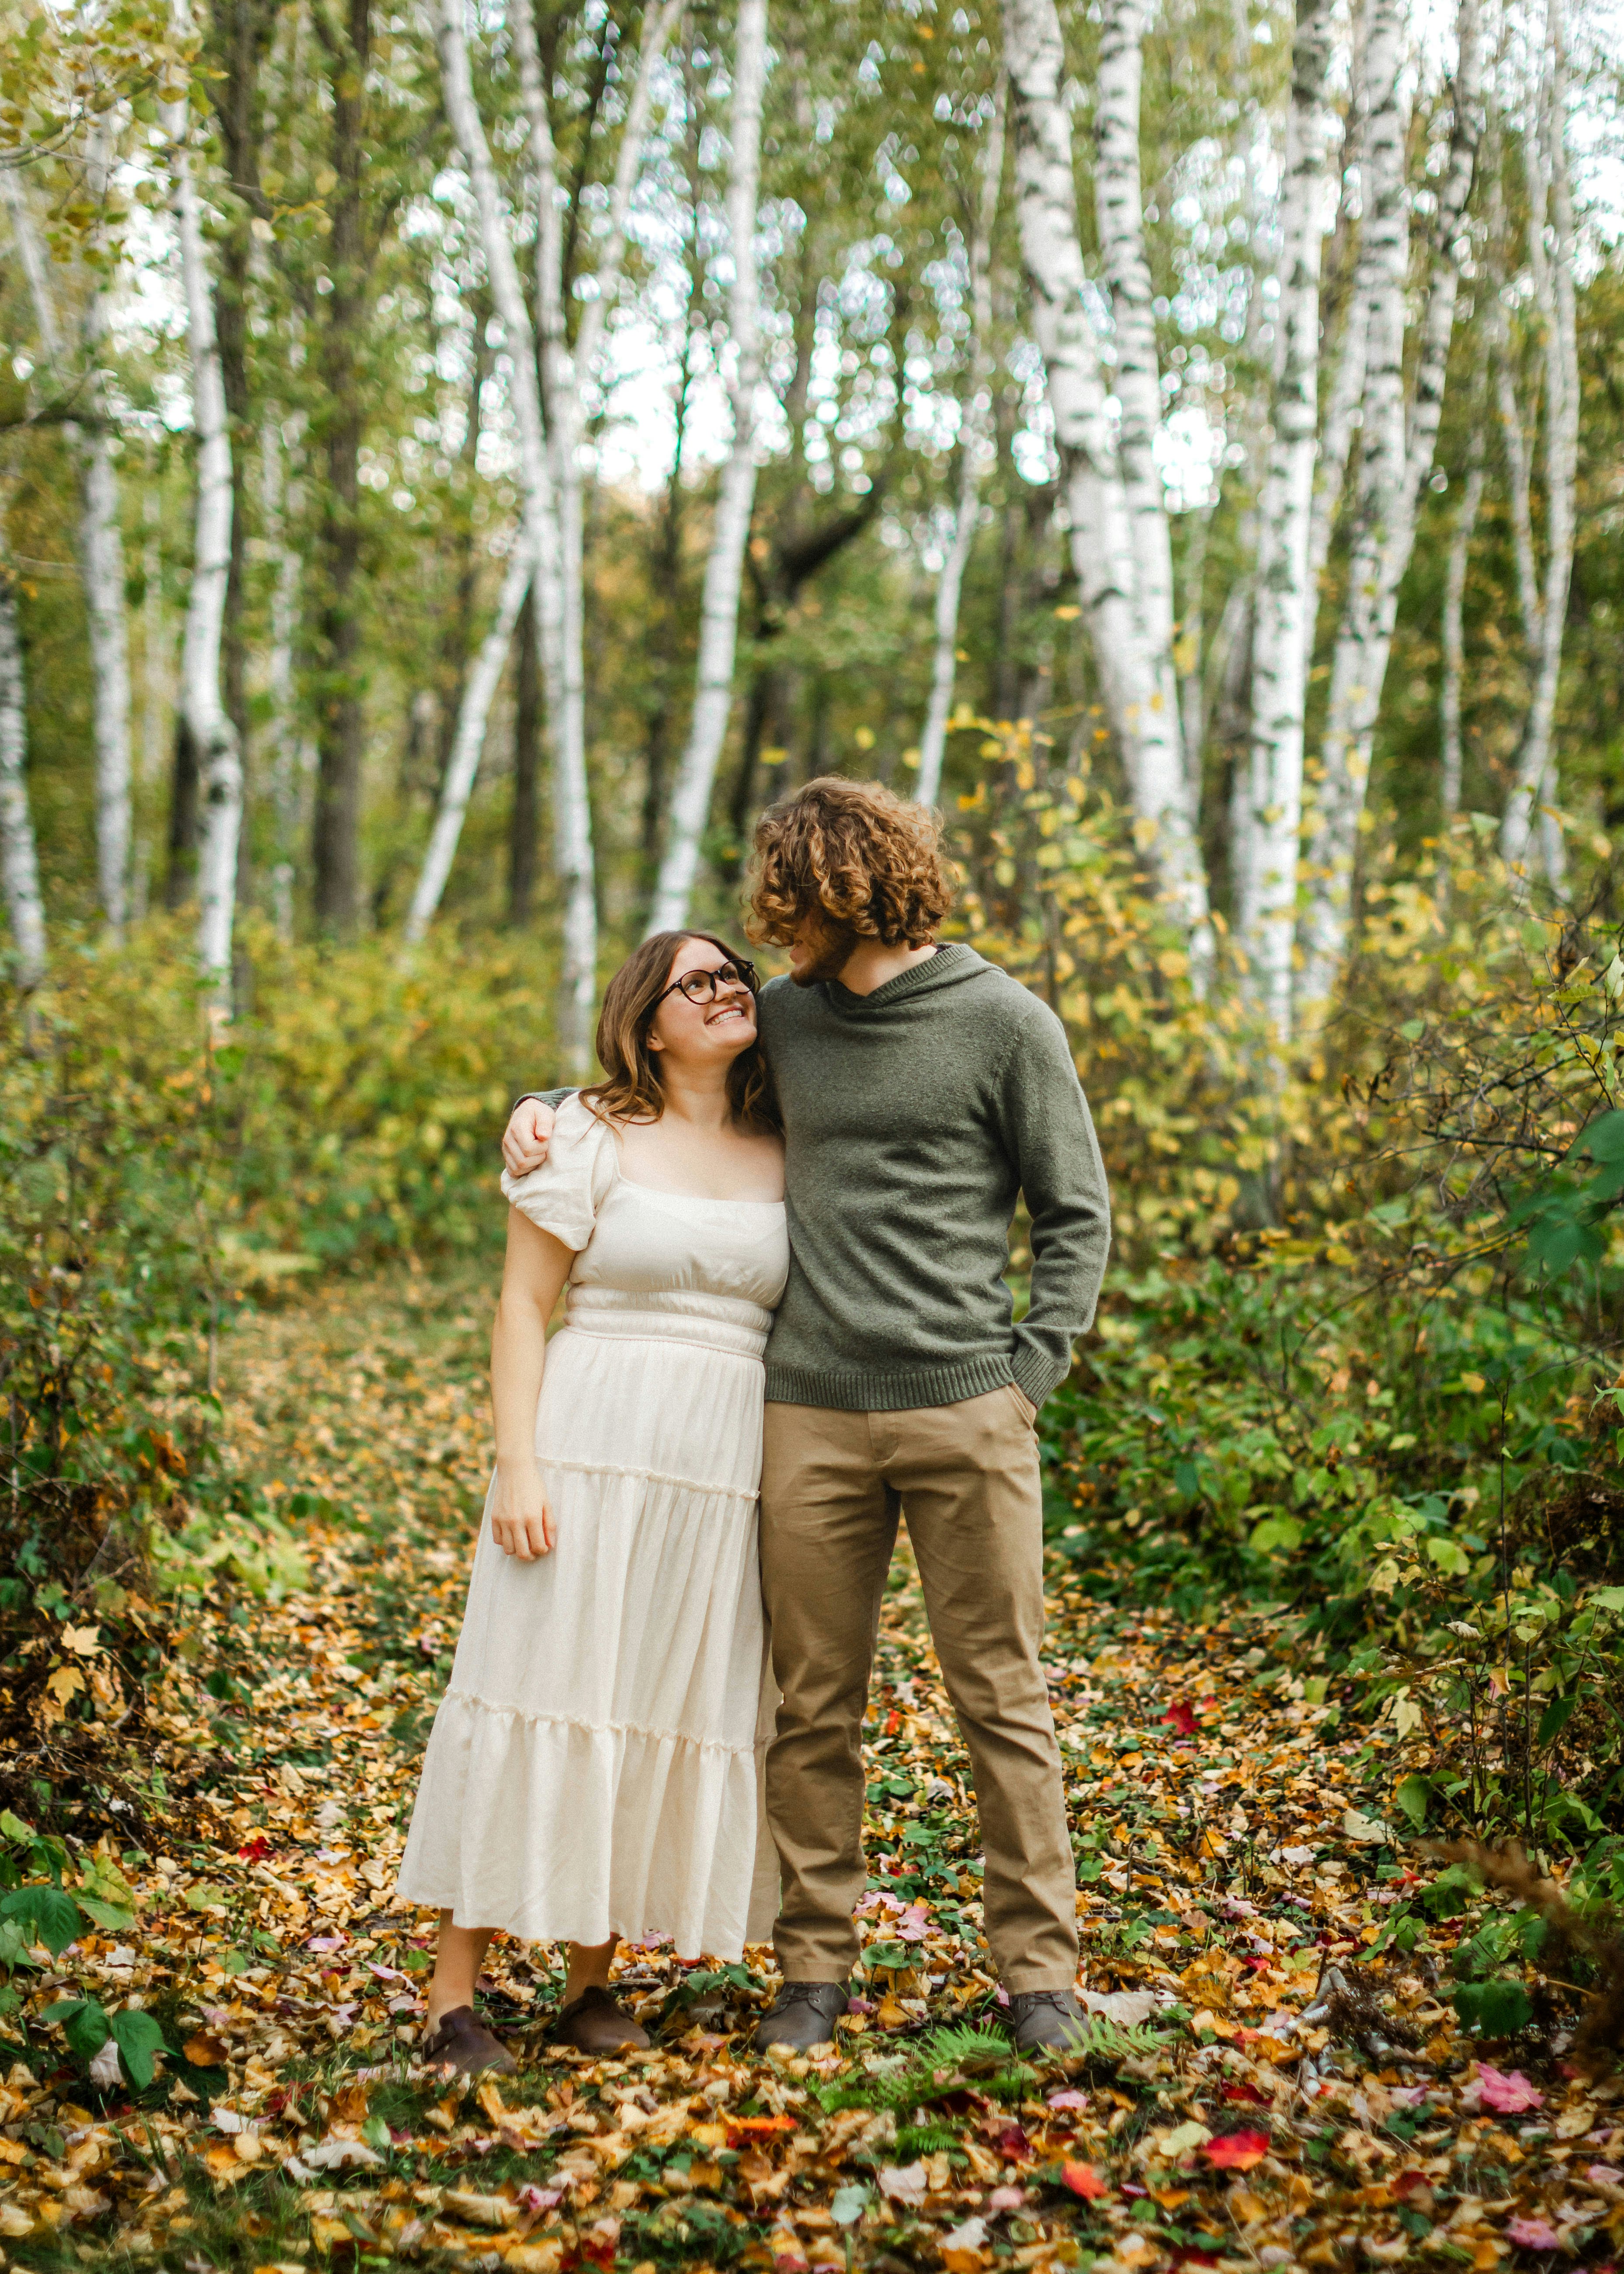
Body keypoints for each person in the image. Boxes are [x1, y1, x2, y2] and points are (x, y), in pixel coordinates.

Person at [503, 778, 1111, 2054]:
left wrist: (1026, 1371)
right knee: (808, 1705)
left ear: (844, 891)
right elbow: (662, 1070)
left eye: (787, 911)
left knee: (1000, 1696)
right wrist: (548, 1111)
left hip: (966, 1411)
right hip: (806, 1417)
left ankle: (1038, 1979)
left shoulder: (1006, 1022)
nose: (769, 944)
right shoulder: (783, 1017)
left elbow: (1076, 1214)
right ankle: (813, 1971)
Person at [398, 932, 788, 2072]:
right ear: (646, 1017)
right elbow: (523, 1305)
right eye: (697, 982)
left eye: (736, 977)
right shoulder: (583, 1134)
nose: (726, 993)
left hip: (721, 1461)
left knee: (652, 1693)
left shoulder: (784, 1138)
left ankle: (588, 1984)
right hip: (590, 1436)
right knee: (544, 1682)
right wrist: (517, 1463)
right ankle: (451, 1998)